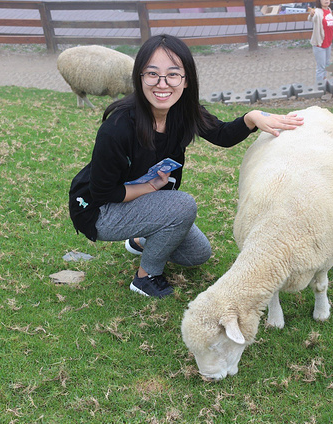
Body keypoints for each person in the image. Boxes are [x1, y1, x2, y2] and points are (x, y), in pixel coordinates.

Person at [68, 34, 304, 298]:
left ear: (186, 80)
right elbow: (104, 193)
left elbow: (222, 135)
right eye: (152, 74)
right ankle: (146, 277)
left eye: (173, 74)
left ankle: (138, 240)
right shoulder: (117, 128)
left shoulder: (183, 111)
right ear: (139, 77)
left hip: (140, 200)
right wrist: (150, 187)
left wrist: (252, 118)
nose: (162, 84)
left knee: (197, 254)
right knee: (183, 205)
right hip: (99, 210)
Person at [307, 0, 333, 82]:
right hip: (319, 44)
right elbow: (311, 18)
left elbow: (330, 24)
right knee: (321, 68)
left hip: (328, 42)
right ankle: (319, 88)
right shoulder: (317, 11)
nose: (326, 1)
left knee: (326, 64)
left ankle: (324, 80)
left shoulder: (329, 10)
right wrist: (311, 14)